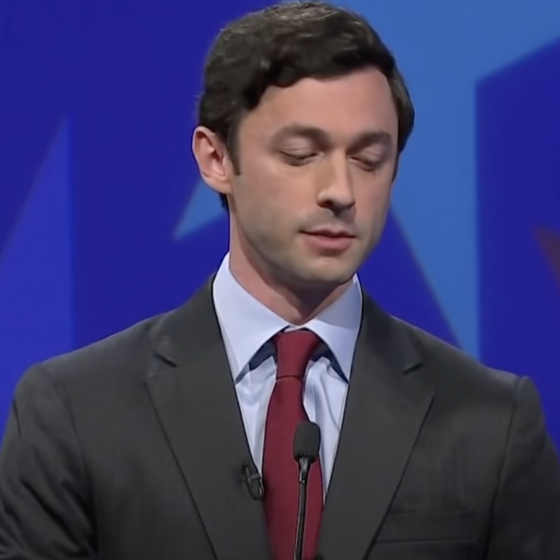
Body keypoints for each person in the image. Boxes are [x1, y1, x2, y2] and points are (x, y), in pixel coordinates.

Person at [1, 1, 559, 559]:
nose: (340, 191)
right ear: (217, 159)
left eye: (368, 160)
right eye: (300, 155)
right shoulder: (75, 413)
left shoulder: (492, 422)